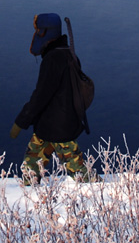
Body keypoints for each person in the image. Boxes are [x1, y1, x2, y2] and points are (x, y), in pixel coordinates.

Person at [9, 13, 91, 183]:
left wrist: (21, 122)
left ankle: (105, 197)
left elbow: (40, 96)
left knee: (35, 166)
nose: (37, 34)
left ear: (47, 33)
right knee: (37, 164)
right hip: (62, 125)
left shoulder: (52, 60)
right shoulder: (69, 54)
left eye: (39, 30)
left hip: (54, 128)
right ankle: (32, 196)